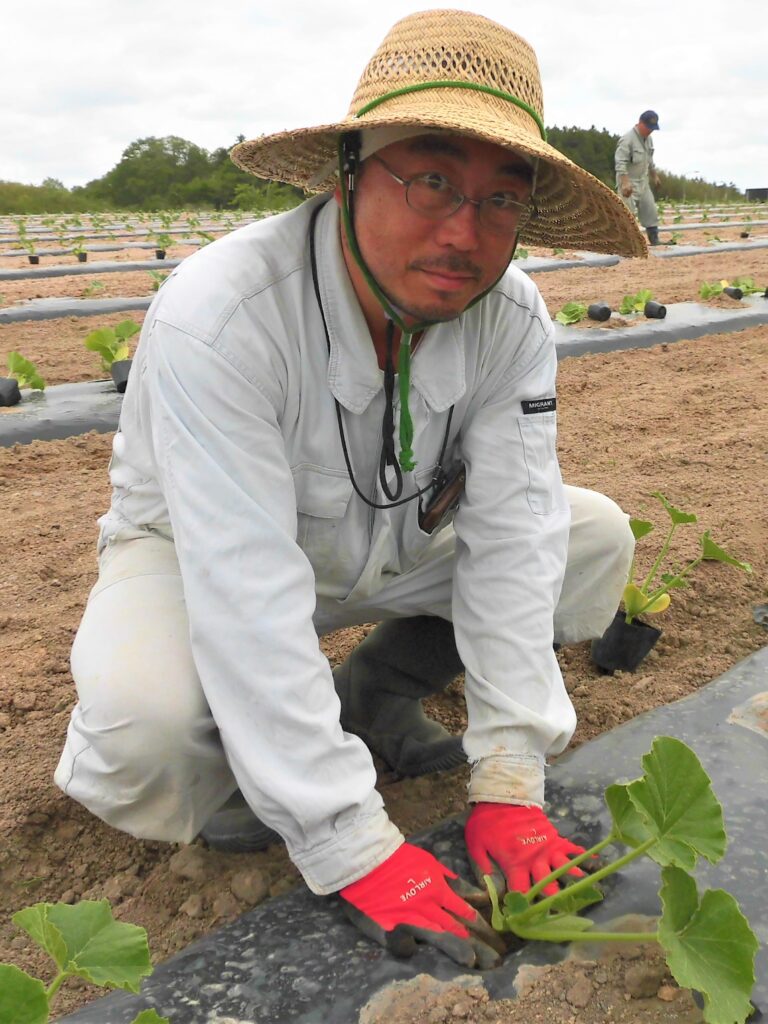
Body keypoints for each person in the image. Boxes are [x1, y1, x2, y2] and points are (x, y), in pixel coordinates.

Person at [55, 9, 647, 968]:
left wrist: (509, 778)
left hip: (397, 536)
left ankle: (372, 697)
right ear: (347, 172)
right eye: (431, 180)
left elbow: (511, 526)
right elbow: (244, 585)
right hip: (197, 553)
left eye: (501, 199)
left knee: (590, 540)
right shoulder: (223, 313)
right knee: (144, 729)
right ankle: (260, 776)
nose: (464, 231)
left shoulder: (511, 316)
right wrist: (349, 841)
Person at [615, 110, 662, 245]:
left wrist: (655, 177)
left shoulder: (649, 140)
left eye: (652, 129)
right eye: (648, 128)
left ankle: (654, 239)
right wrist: (624, 183)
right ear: (640, 123)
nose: (650, 131)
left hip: (643, 180)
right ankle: (625, 243)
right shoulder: (627, 140)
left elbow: (650, 160)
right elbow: (620, 163)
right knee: (627, 213)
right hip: (628, 181)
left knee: (650, 209)